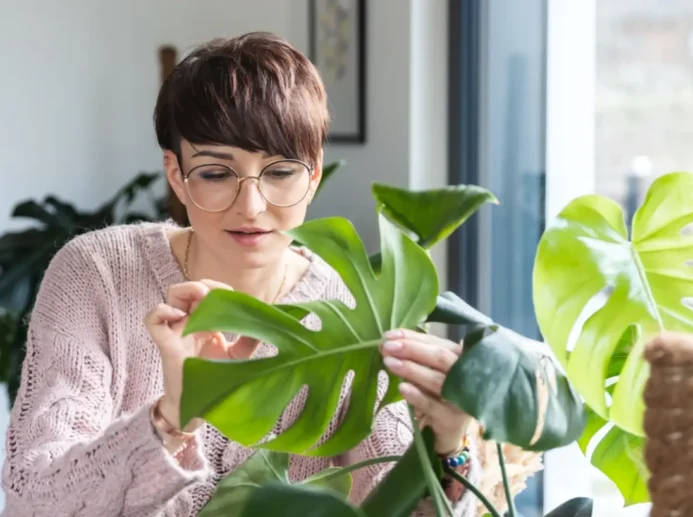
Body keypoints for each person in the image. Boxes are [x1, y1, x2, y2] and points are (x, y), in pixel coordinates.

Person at [1, 32, 541, 516]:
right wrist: (172, 416)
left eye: (280, 171)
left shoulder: (357, 311)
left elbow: (400, 507)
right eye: (215, 173)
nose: (252, 206)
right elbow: (32, 498)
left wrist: (449, 443)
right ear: (178, 175)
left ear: (313, 174)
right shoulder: (97, 274)